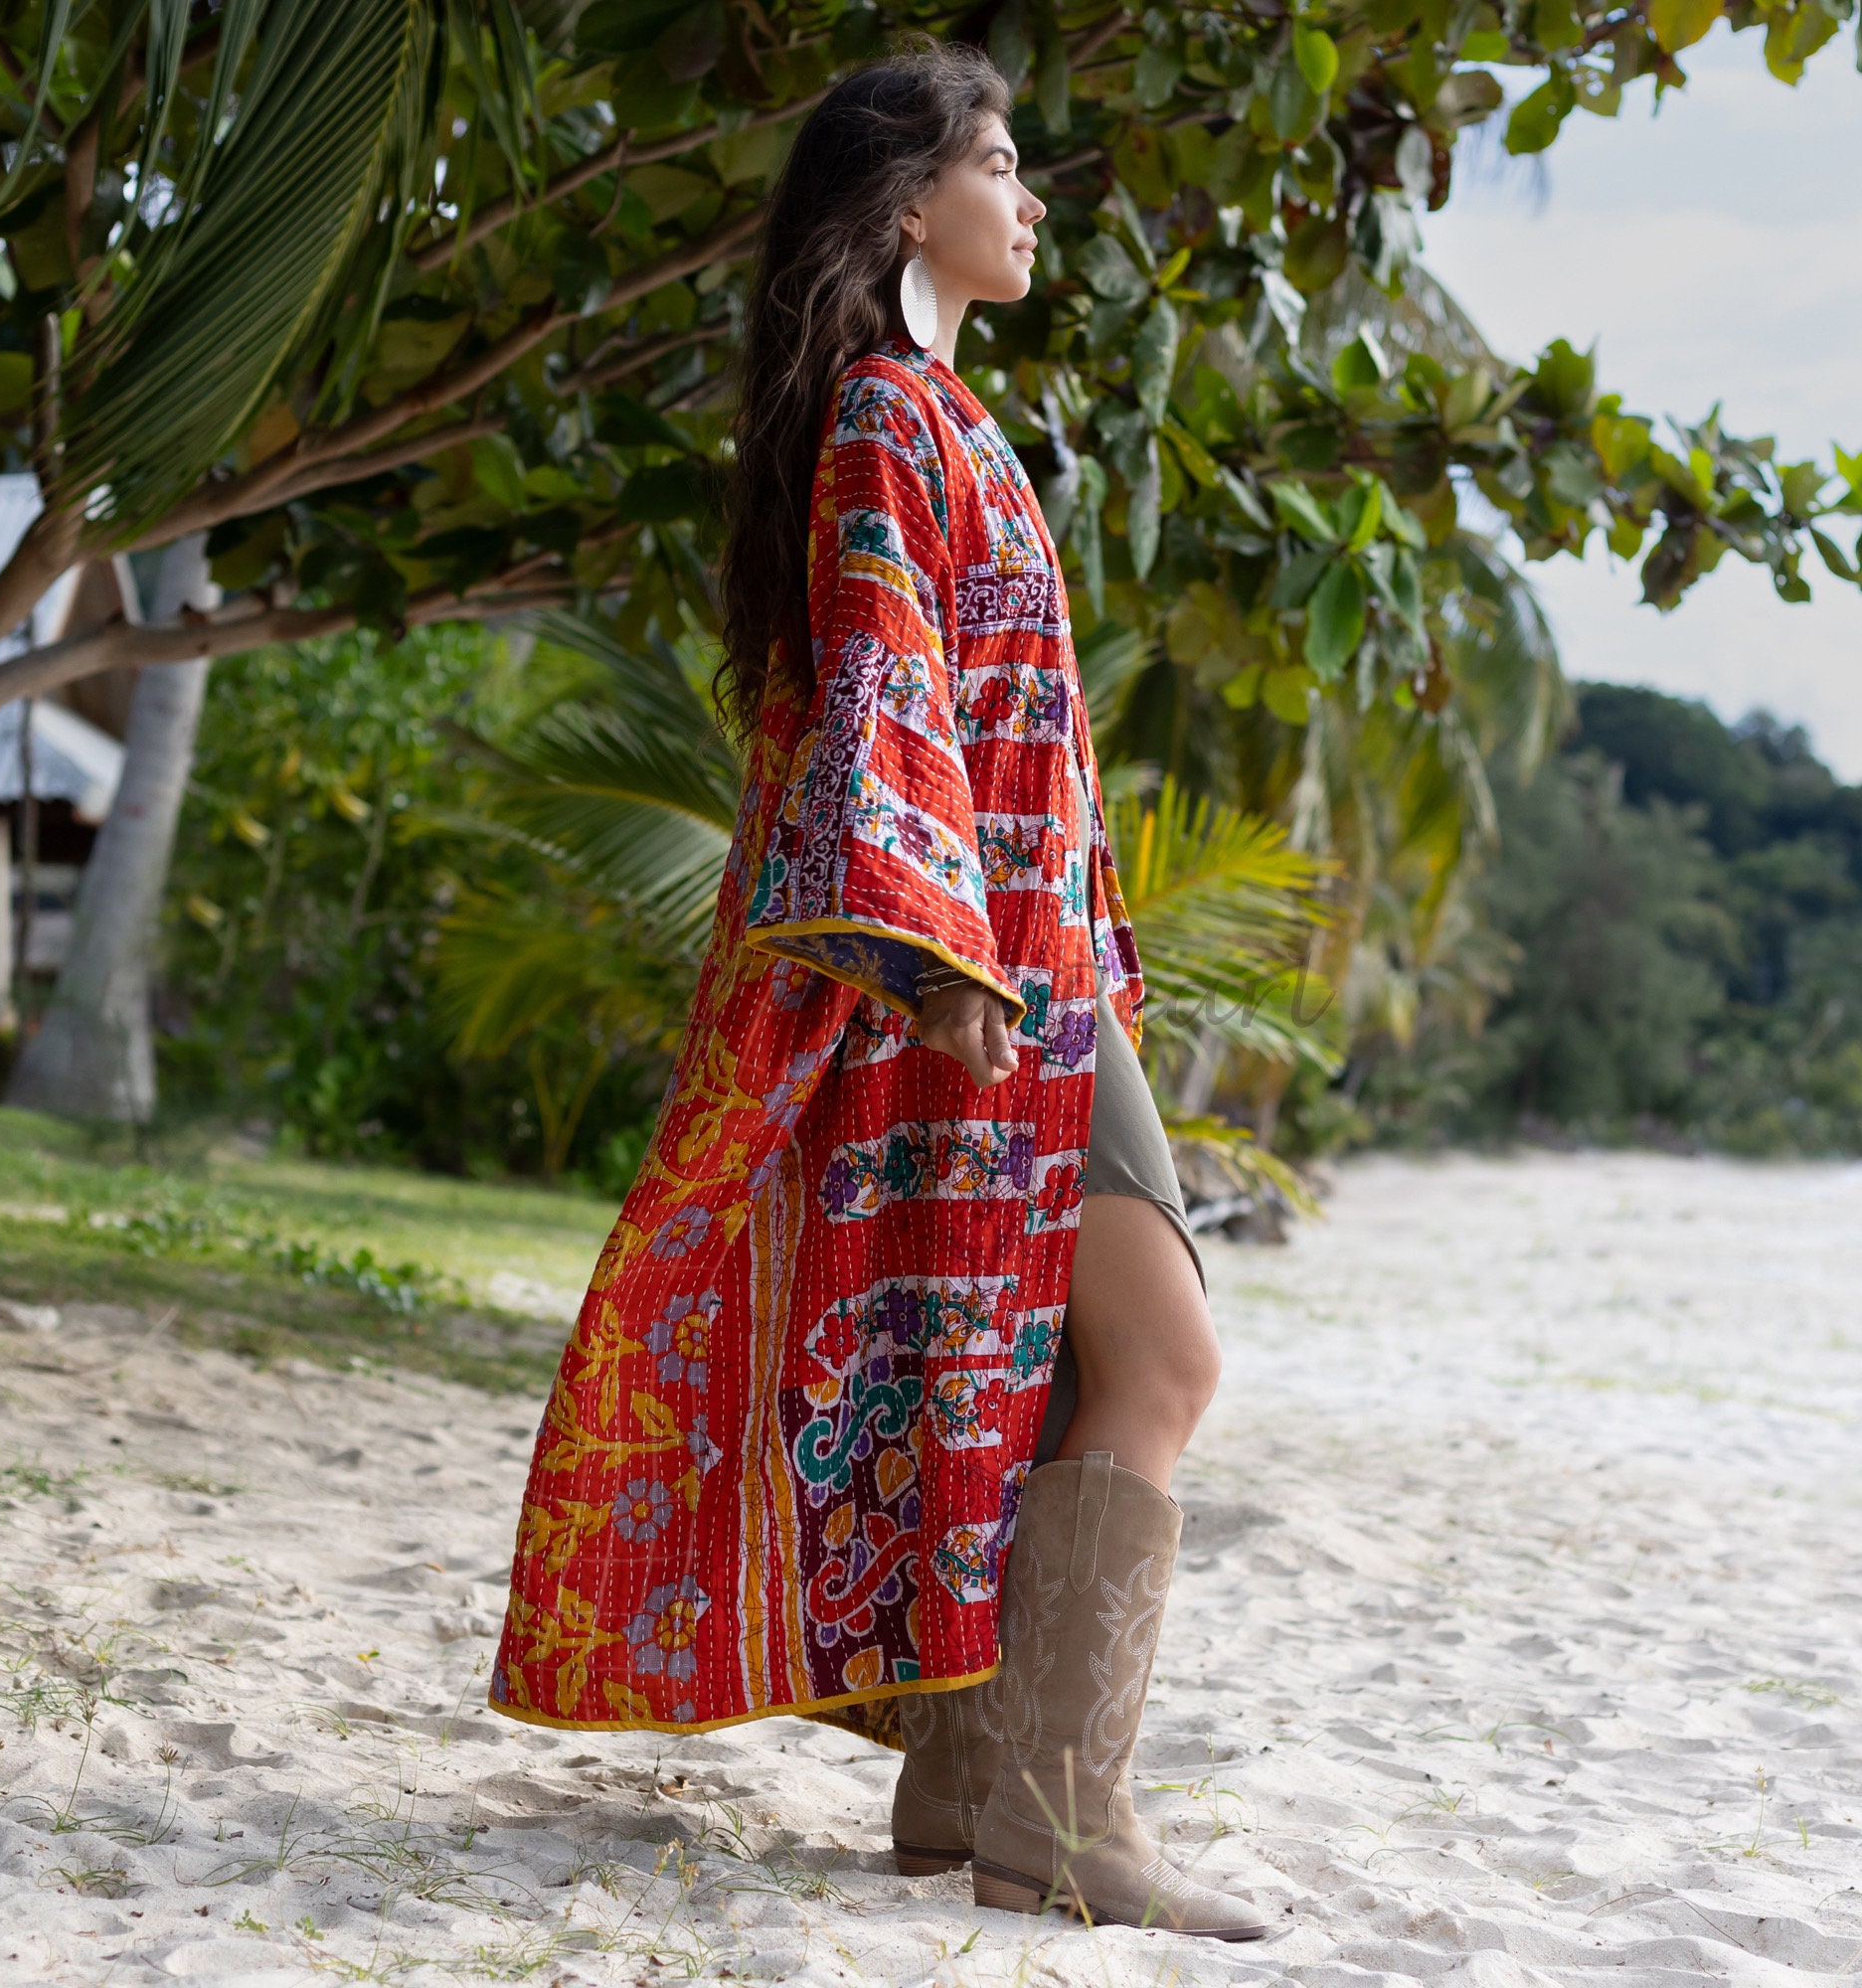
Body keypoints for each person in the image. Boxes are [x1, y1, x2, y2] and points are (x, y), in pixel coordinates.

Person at [489, 43, 1263, 1942]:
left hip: (1029, 963)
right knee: (1164, 1362)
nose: (1034, 197)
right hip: (985, 974)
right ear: (911, 204)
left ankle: (966, 1784)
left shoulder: (939, 414)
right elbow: (881, 681)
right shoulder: (882, 421)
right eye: (1002, 163)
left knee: (1050, 1367)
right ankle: (1066, 1818)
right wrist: (936, 951)